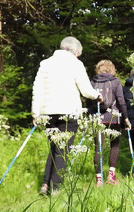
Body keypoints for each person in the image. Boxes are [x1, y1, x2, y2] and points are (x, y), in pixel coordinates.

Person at [32, 36, 103, 195]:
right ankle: (55, 188)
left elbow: (37, 89)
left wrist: (35, 113)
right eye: (79, 53)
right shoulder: (76, 63)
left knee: (53, 147)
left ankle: (45, 185)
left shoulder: (46, 63)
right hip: (69, 112)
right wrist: (97, 95)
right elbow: (85, 89)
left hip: (48, 112)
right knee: (62, 150)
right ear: (75, 51)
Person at [87, 60, 131, 186]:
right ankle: (111, 176)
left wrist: (89, 116)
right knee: (115, 145)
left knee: (98, 147)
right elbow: (121, 101)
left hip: (97, 117)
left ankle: (98, 179)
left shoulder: (93, 81)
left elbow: (88, 101)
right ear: (112, 69)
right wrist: (126, 118)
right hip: (113, 117)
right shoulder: (115, 81)